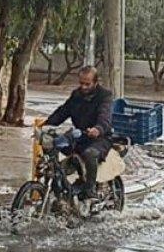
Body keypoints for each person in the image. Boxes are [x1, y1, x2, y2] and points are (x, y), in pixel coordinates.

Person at [42, 66, 114, 199]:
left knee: (90, 154)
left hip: (100, 139)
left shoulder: (105, 95)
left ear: (96, 82)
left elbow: (105, 116)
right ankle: (60, 187)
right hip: (79, 136)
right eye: (81, 83)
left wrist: (98, 129)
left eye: (88, 84)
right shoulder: (76, 95)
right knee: (55, 145)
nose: (84, 87)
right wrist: (46, 124)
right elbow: (63, 111)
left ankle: (90, 190)